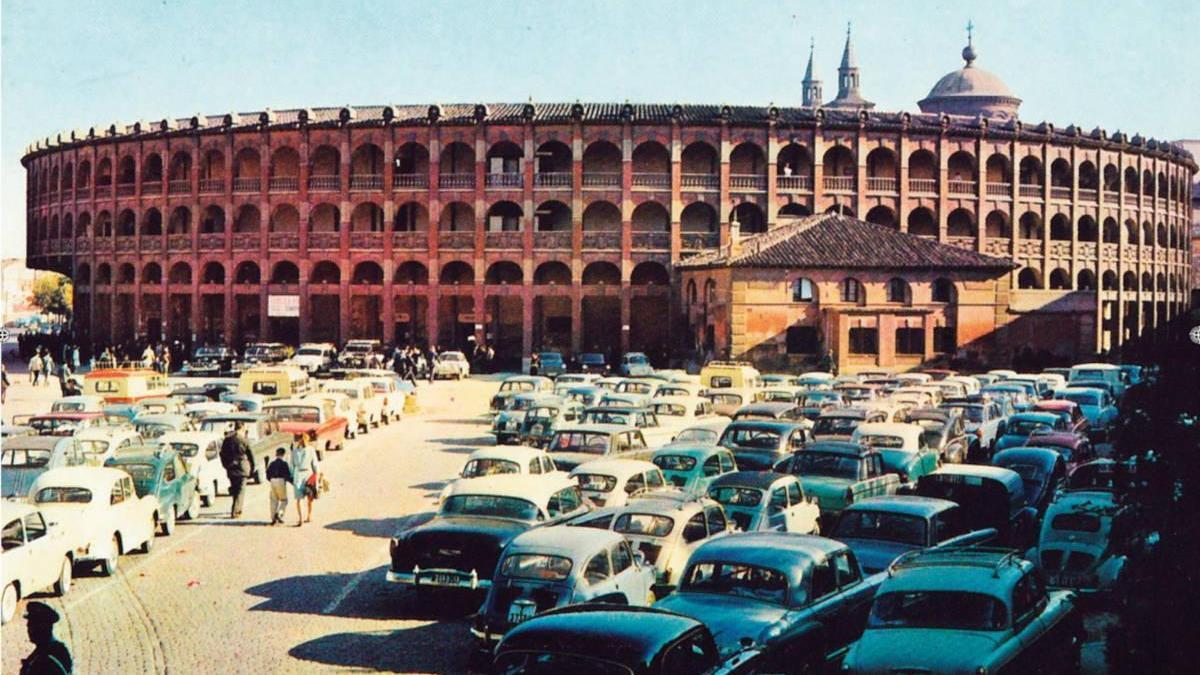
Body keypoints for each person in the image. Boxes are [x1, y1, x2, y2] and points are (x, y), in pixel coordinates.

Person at [19, 601, 72, 675]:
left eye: (32, 625)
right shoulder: (57, 649)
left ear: (44, 628)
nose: (29, 629)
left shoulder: (45, 659)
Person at [219, 423, 254, 519]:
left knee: (235, 490)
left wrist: (225, 465)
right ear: (242, 427)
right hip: (242, 467)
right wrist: (252, 468)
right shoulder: (244, 440)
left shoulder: (227, 439)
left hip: (231, 468)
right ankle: (236, 511)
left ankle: (236, 507)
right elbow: (251, 455)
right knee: (240, 491)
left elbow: (222, 453)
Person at [289, 431, 320, 526]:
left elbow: (291, 466)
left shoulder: (294, 451)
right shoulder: (311, 450)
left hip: (298, 474)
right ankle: (309, 516)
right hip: (308, 474)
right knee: (310, 497)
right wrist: (317, 475)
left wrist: (292, 477)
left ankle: (301, 518)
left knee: (299, 498)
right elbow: (315, 464)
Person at [266, 447, 292, 525]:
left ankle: (273, 518)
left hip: (272, 481)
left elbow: (267, 474)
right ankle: (279, 514)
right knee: (284, 500)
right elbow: (288, 475)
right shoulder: (284, 464)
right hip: (281, 481)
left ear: (276, 454)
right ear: (283, 455)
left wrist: (271, 480)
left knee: (273, 500)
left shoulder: (272, 464)